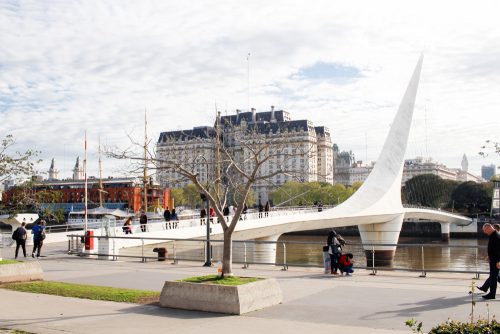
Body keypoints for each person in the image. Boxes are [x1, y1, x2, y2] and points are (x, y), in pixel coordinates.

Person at [477, 223, 500, 299]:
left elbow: (498, 250)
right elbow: (492, 248)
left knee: (493, 277)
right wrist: (489, 256)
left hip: (496, 261)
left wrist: (498, 261)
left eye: (485, 230)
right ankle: (488, 290)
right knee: (494, 276)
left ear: (488, 228)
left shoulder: (496, 236)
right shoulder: (493, 235)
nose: (485, 232)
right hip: (493, 260)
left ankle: (492, 294)